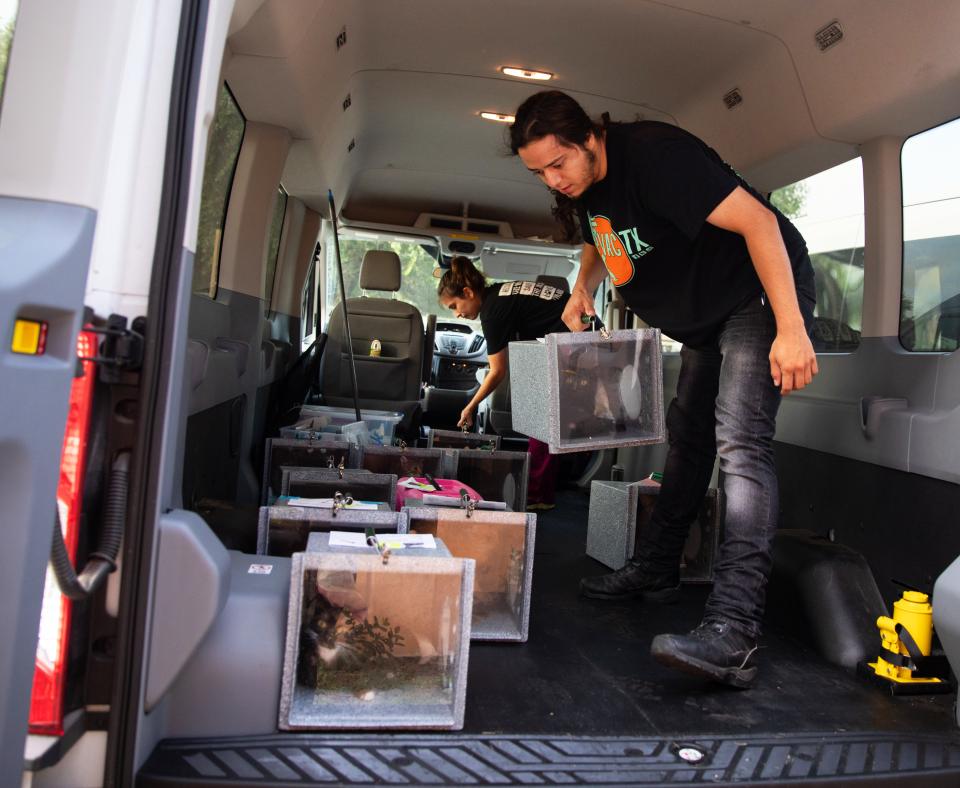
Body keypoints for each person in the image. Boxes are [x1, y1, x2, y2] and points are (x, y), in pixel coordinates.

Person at [509, 90, 817, 688]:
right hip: (705, 315)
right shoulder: (585, 184)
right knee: (688, 436)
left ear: (590, 138)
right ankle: (656, 569)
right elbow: (603, 234)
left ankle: (734, 630)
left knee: (741, 445)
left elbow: (759, 222)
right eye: (539, 171)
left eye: (558, 164)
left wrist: (792, 328)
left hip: (754, 294)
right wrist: (580, 289)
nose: (553, 180)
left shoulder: (656, 157)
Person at [437, 256, 569, 510]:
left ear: (468, 292)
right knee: (545, 419)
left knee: (541, 422)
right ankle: (541, 494)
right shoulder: (499, 293)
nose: (458, 314)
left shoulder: (492, 311)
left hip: (575, 342)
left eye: (455, 305)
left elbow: (497, 371)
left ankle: (536, 497)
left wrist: (470, 406)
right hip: (576, 338)